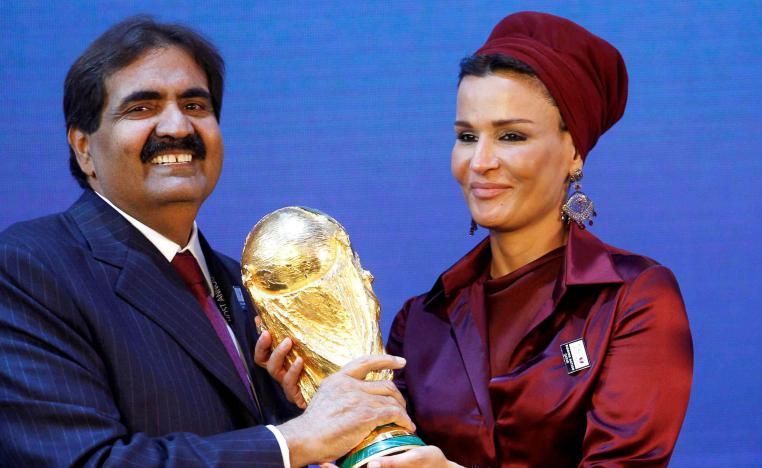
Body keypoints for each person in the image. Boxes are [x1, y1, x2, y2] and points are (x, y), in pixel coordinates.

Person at [264, 11, 693, 468]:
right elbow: (390, 452)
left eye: (511, 136)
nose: (480, 161)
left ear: (574, 152)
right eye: (467, 136)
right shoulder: (421, 321)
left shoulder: (633, 298)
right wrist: (325, 405)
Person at [0, 17, 414, 467]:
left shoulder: (246, 286)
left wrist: (305, 405)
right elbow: (84, 461)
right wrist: (295, 438)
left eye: (195, 105)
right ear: (84, 148)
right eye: (142, 108)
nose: (177, 127)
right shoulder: (29, 269)